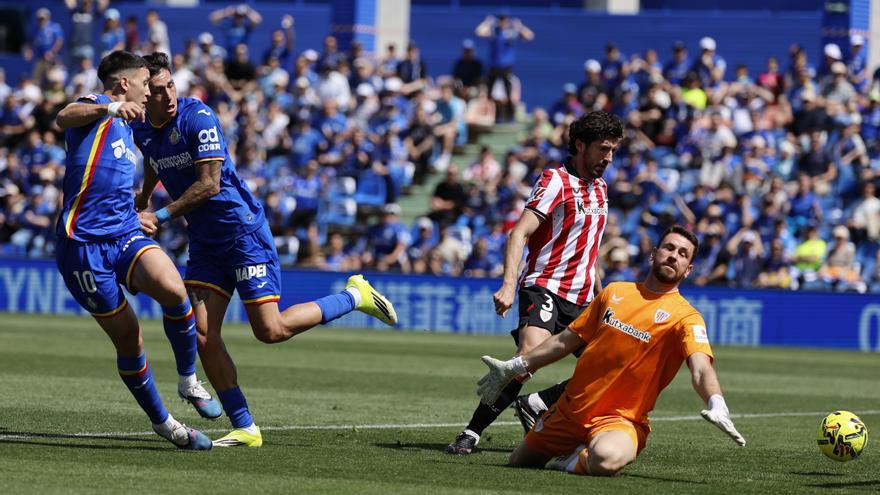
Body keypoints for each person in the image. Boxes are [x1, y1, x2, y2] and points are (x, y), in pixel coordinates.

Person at [131, 52, 398, 448]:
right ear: (142, 95)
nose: (168, 94)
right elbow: (155, 159)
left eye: (171, 85)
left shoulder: (197, 117)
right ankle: (245, 426)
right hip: (205, 242)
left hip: (242, 233)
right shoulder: (143, 130)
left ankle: (353, 296)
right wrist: (143, 198)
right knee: (203, 335)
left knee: (270, 331)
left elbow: (210, 184)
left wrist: (161, 215)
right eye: (157, 89)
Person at [476, 226, 746, 476]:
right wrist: (515, 366)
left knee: (606, 459)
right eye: (669, 248)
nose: (674, 256)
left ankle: (572, 459)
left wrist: (716, 402)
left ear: (688, 269)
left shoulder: (687, 318)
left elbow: (700, 367)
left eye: (683, 254)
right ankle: (575, 447)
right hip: (570, 410)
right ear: (654, 254)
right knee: (519, 462)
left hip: (620, 419)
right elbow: (564, 341)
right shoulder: (614, 292)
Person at [54, 50, 213, 450]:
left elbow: (152, 160)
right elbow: (63, 116)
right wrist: (111, 106)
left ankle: (188, 380)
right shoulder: (95, 107)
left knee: (175, 291)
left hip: (124, 230)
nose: (148, 92)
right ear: (124, 83)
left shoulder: (136, 123)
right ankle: (164, 424)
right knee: (131, 340)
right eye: (145, 84)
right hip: (83, 246)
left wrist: (143, 200)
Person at [445, 111, 622, 455]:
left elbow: (590, 252)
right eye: (603, 149)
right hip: (545, 286)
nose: (609, 158)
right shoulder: (555, 180)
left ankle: (538, 403)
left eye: (613, 150)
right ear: (580, 145)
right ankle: (471, 432)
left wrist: (603, 300)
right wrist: (509, 284)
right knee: (528, 356)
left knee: (612, 370)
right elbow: (520, 231)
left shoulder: (601, 189)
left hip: (583, 298)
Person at [475, 12, 534, 123]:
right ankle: (494, 117)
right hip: (493, 68)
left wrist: (519, 27)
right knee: (489, 94)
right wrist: (487, 22)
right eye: (500, 19)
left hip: (506, 68)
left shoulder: (511, 33)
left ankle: (510, 118)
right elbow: (479, 32)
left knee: (509, 94)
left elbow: (530, 36)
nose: (502, 22)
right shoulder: (494, 31)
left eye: (504, 19)